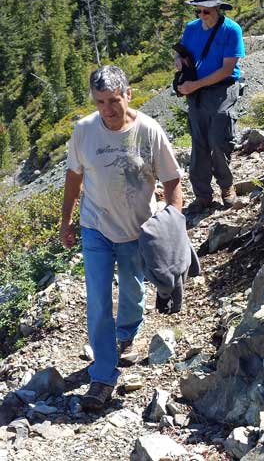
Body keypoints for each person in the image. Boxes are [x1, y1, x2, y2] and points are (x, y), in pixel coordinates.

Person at [60, 65, 183, 410]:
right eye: (100, 102)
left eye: (113, 100)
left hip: (136, 230)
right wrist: (67, 220)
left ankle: (126, 333)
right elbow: (74, 177)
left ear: (128, 94)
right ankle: (102, 376)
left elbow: (173, 181)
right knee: (98, 300)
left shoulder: (149, 131)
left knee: (132, 288)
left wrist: (172, 223)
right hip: (96, 227)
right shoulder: (84, 131)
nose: (108, 110)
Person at [176, 0, 245, 212]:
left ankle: (227, 188)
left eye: (206, 10)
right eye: (198, 10)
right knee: (200, 143)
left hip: (223, 90)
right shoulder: (191, 28)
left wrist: (195, 84)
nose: (202, 15)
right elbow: (182, 52)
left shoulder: (231, 30)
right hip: (198, 93)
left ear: (217, 8)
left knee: (219, 140)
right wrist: (180, 63)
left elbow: (227, 70)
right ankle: (202, 195)